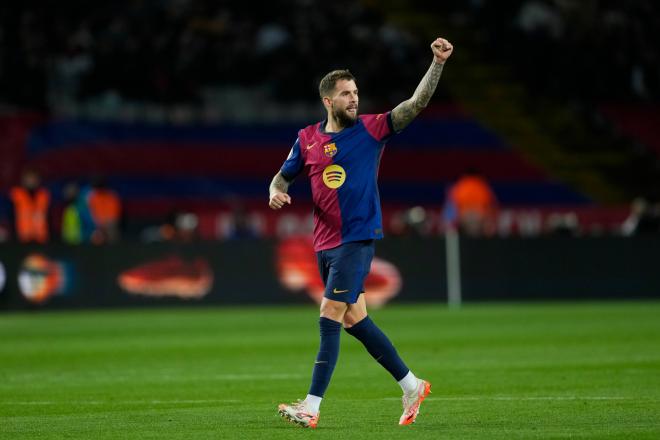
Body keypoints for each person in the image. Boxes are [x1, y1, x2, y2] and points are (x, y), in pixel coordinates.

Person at [268, 37, 453, 428]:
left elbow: (414, 105)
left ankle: (312, 406)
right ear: (328, 102)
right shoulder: (307, 139)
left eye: (355, 93)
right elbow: (281, 179)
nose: (354, 99)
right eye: (346, 94)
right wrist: (275, 193)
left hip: (356, 239)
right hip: (325, 244)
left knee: (329, 314)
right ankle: (411, 385)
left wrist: (436, 63)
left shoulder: (372, 129)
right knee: (355, 320)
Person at [443, 168, 498, 237]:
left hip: (465, 218)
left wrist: (451, 223)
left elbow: (450, 209)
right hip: (478, 218)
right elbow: (492, 207)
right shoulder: (482, 185)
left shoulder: (460, 185)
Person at [8, 168, 51, 244]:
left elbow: (49, 215)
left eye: (33, 178)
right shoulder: (16, 194)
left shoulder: (44, 194)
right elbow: (10, 214)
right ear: (23, 180)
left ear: (38, 180)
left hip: (41, 238)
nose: (31, 181)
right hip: (21, 238)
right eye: (28, 178)